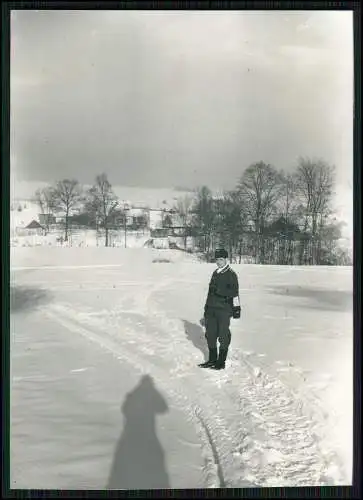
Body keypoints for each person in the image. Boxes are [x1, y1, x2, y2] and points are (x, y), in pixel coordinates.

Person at [199, 248, 240, 370]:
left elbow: (234, 293)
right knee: (210, 335)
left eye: (221, 259)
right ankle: (212, 360)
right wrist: (206, 311)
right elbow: (210, 293)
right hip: (211, 310)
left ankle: (221, 362)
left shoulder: (231, 275)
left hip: (224, 310)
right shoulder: (215, 273)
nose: (218, 262)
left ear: (226, 260)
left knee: (223, 336)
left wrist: (236, 310)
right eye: (217, 259)